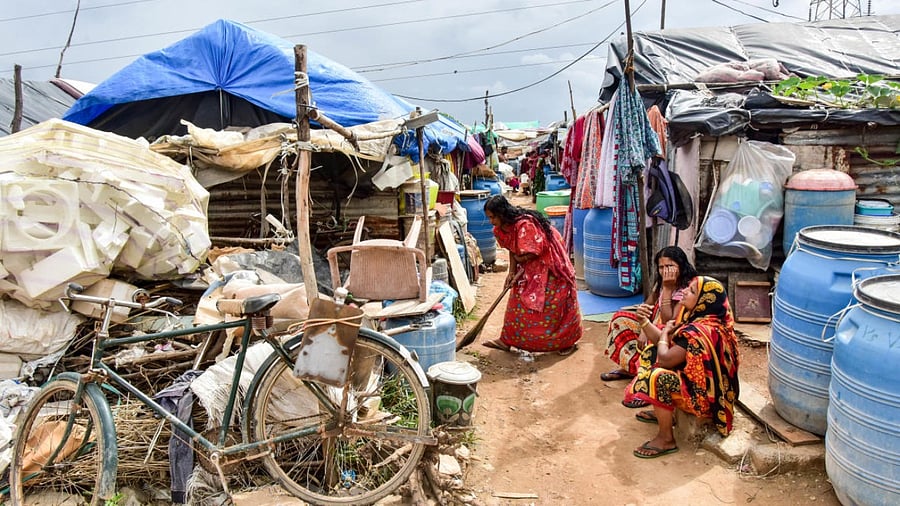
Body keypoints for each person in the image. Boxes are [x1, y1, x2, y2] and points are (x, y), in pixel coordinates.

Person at [625, 276, 740, 458]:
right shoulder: (699, 318)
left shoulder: (700, 332)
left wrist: (663, 335)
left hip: (705, 399)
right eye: (689, 287)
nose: (685, 291)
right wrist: (644, 322)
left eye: (692, 291)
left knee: (656, 376)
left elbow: (665, 359)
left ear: (703, 302)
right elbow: (664, 344)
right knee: (651, 352)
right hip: (698, 384)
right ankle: (664, 413)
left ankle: (666, 439)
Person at [481, 195, 582, 355]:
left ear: (502, 213)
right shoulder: (500, 229)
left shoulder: (525, 225)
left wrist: (522, 258)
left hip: (549, 263)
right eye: (489, 218)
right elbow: (512, 249)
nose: (491, 221)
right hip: (529, 264)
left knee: (554, 303)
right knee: (517, 299)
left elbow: (537, 250)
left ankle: (566, 342)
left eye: (493, 217)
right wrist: (511, 272)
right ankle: (506, 340)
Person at [602, 246, 698, 399]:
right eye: (661, 267)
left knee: (656, 338)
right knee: (620, 319)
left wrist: (667, 289)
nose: (665, 271)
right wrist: (643, 328)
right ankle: (630, 368)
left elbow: (669, 321)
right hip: (656, 323)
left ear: (681, 265)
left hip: (673, 333)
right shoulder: (660, 282)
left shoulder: (687, 288)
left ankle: (645, 375)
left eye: (670, 266)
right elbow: (648, 304)